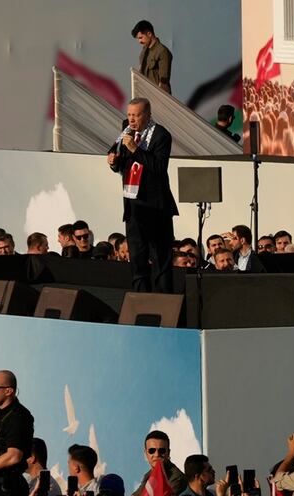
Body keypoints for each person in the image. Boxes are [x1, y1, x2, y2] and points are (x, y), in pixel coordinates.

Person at [107, 97, 178, 293]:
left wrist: (135, 149)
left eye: (136, 115)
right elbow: (124, 165)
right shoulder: (127, 131)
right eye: (129, 115)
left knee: (160, 260)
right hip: (133, 206)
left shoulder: (161, 135)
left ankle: (164, 302)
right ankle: (140, 301)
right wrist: (114, 162)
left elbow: (159, 167)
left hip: (155, 207)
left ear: (148, 115)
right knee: (137, 260)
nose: (131, 119)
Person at [131, 20, 173, 94]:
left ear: (149, 34)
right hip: (145, 94)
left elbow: (163, 82)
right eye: (138, 38)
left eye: (141, 37)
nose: (139, 41)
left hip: (157, 96)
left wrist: (158, 98)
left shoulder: (162, 51)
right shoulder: (144, 51)